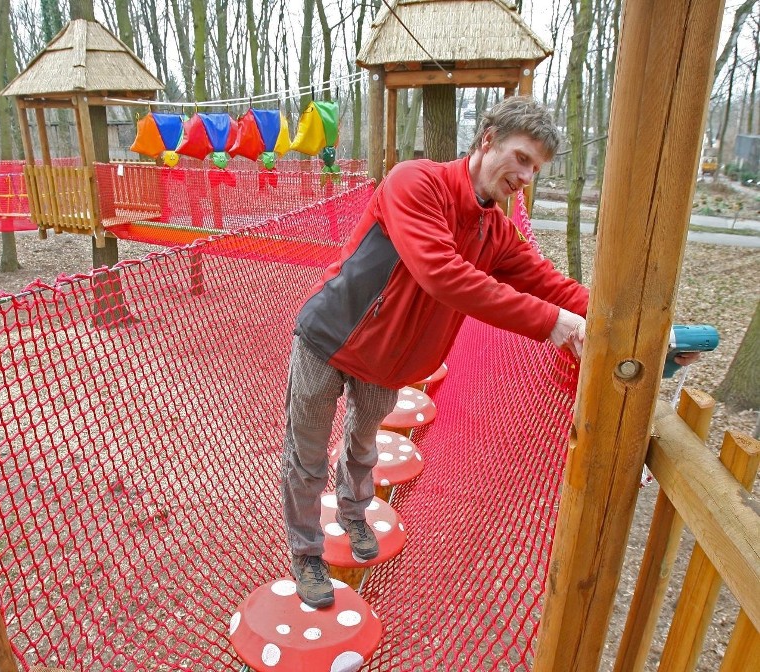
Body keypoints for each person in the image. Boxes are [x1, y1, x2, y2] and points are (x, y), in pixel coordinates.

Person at [280, 95, 677, 609]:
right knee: (307, 457)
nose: (527, 176)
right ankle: (307, 551)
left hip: (387, 363)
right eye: (522, 158)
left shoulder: (497, 232)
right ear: (488, 140)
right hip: (328, 340)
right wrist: (553, 325)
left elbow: (549, 284)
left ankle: (353, 516)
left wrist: (632, 327)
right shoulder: (415, 182)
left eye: (536, 167)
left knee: (362, 447)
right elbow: (441, 273)